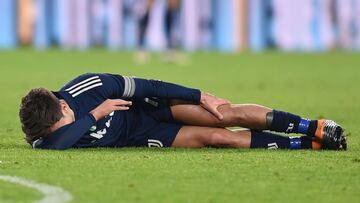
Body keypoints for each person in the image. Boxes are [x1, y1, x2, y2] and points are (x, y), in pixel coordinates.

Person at [19, 73, 347, 150]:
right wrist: (98, 114)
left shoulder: (91, 87)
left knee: (224, 114)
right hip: (142, 134)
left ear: (63, 105)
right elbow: (55, 144)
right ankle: (309, 144)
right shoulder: (46, 134)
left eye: (60, 125)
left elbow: (149, 86)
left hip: (152, 108)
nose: (60, 133)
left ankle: (313, 126)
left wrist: (197, 95)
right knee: (217, 138)